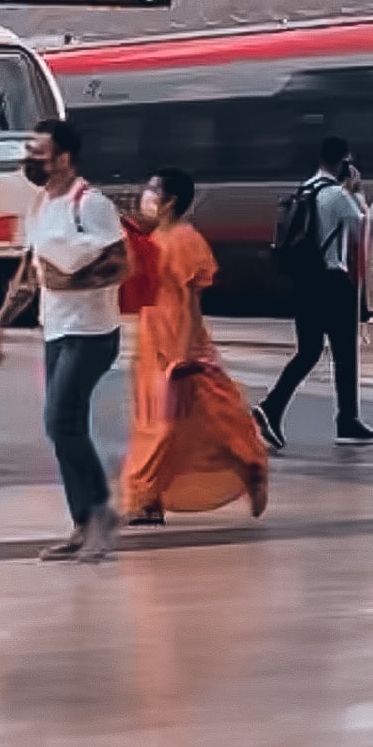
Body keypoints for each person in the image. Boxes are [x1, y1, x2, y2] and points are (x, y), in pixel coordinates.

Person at [0, 119, 128, 558]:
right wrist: (0, 323)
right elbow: (30, 272)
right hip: (58, 329)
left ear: (64, 158)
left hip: (92, 332)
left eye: (39, 154)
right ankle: (83, 522)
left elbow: (122, 265)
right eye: (29, 152)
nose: (31, 160)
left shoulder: (92, 203)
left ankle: (99, 513)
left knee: (59, 421)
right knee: (66, 425)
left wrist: (73, 282)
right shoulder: (39, 205)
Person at [119, 167, 268, 524]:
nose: (145, 197)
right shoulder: (154, 239)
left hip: (179, 344)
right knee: (154, 421)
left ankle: (248, 463)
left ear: (168, 201)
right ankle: (148, 500)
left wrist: (185, 354)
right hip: (153, 341)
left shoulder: (185, 240)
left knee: (185, 420)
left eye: (152, 191)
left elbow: (190, 303)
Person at [258, 139, 373, 451]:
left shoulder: (305, 189)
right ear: (344, 163)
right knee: (344, 354)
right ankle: (347, 421)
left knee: (309, 350)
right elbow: (364, 224)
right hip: (332, 281)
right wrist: (356, 190)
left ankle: (272, 407)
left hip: (304, 282)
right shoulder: (338, 195)